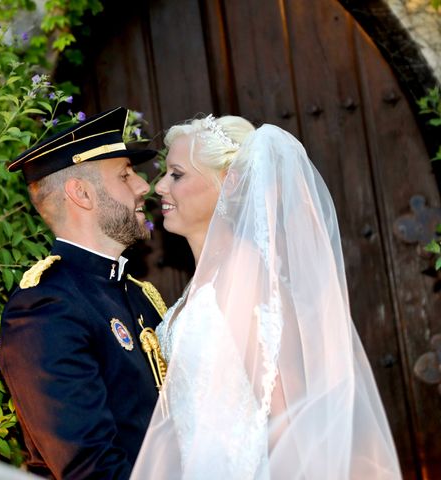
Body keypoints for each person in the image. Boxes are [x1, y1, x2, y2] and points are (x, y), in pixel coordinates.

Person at [131, 114, 402, 479]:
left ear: (230, 182)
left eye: (176, 174)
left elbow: (285, 410)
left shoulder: (244, 272)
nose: (159, 187)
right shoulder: (206, 280)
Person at [0, 107, 168, 479]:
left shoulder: (140, 295)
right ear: (82, 193)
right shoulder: (47, 307)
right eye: (125, 175)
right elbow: (91, 470)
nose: (143, 186)